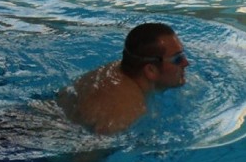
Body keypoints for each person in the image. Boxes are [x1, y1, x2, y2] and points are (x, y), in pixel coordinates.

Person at [57, 23, 189, 135]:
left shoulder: (111, 70)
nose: (186, 63)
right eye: (177, 59)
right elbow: (86, 158)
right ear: (150, 70)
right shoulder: (128, 110)